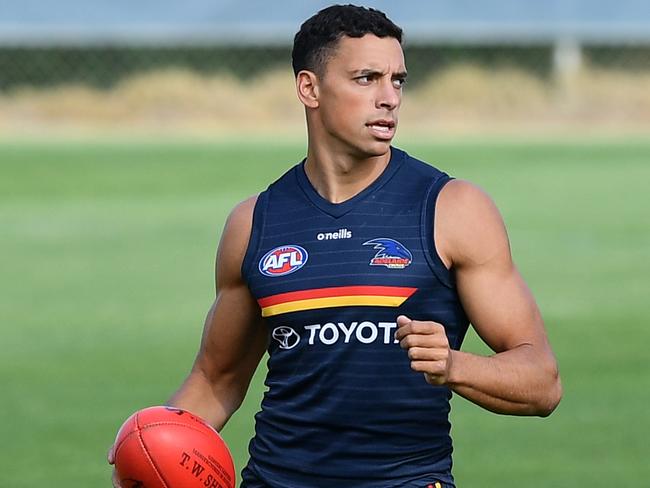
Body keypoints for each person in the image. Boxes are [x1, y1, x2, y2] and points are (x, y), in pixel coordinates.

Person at [110, 4, 562, 487]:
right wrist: (151, 453)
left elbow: (542, 382)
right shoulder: (254, 223)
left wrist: (454, 365)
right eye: (367, 78)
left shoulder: (452, 210)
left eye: (398, 80)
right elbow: (216, 380)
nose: (389, 98)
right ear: (310, 88)